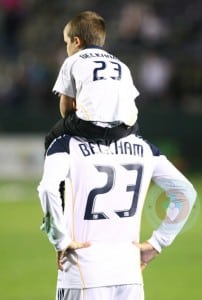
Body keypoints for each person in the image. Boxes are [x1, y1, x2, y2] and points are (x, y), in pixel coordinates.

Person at [38, 132, 197, 300]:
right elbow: (185, 193)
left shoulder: (67, 144)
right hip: (129, 273)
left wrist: (59, 238)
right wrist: (158, 242)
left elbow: (48, 189)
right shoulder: (144, 147)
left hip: (84, 269)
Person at [45, 11, 140, 151]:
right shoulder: (122, 65)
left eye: (67, 42)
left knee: (52, 140)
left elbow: (66, 108)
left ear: (76, 41)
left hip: (90, 126)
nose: (66, 47)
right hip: (125, 129)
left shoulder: (72, 61)